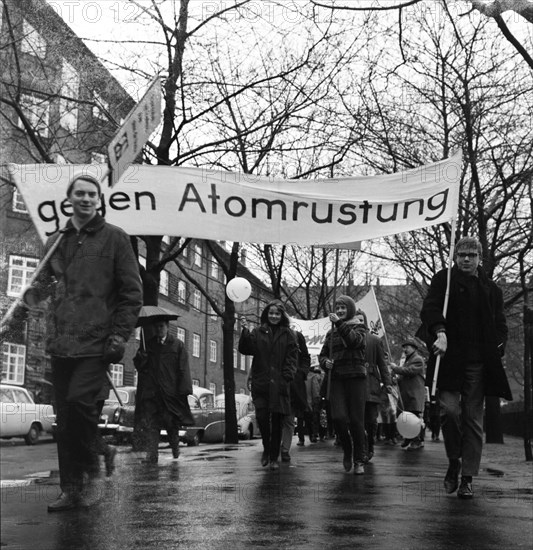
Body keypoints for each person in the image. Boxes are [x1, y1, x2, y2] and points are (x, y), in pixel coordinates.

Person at [22, 173, 142, 512]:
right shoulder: (56, 242)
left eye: (92, 194)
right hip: (61, 342)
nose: (87, 199)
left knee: (77, 403)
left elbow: (132, 293)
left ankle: (93, 465)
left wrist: (119, 334)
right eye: (81, 194)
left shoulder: (115, 239)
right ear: (70, 199)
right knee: (65, 418)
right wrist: (32, 296)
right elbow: (44, 285)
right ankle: (71, 488)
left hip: (96, 341)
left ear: (99, 200)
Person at [419, 236, 512, 499]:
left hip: (478, 363)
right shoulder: (444, 280)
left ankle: (467, 478)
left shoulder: (491, 289)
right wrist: (439, 331)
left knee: (473, 420)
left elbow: (500, 323)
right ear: (455, 256)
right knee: (449, 412)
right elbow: (429, 308)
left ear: (480, 257)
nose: (466, 259)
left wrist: (499, 346)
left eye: (472, 255)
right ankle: (454, 460)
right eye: (462, 255)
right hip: (448, 360)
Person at [239, 300, 298, 470]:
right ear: (266, 314)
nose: (274, 316)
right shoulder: (258, 332)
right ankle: (266, 448)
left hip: (279, 385)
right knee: (263, 419)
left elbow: (292, 358)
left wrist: (287, 376)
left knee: (277, 422)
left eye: (277, 313)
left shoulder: (288, 334)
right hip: (262, 384)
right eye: (271, 313)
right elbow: (246, 348)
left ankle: (274, 457)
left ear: (282, 316)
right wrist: (244, 331)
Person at [134, 319, 194, 464]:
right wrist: (142, 358)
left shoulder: (177, 345)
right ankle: (152, 456)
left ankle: (175, 448)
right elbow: (140, 366)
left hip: (169, 393)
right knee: (152, 424)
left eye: (161, 326)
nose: (158, 330)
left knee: (170, 424)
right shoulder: (148, 344)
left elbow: (183, 369)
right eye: (156, 327)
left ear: (167, 327)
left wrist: (183, 391)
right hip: (152, 393)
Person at [318, 297, 367, 475]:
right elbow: (322, 355)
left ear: (351, 310)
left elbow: (355, 342)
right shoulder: (331, 332)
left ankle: (359, 459)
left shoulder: (359, 327)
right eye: (337, 307)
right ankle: (347, 448)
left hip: (356, 378)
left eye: (343, 308)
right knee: (338, 417)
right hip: (337, 378)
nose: (339, 311)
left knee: (356, 421)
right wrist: (325, 363)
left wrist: (339, 323)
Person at [356, 310, 393, 463]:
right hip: (355, 383)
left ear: (364, 321)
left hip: (371, 383)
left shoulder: (374, 340)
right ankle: (361, 448)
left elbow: (382, 364)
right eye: (355, 319)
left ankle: (370, 444)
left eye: (360, 319)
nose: (357, 322)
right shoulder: (347, 339)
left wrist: (388, 382)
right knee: (357, 420)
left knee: (371, 420)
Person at [391, 338, 426, 450]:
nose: (405, 349)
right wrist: (396, 379)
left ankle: (417, 441)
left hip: (413, 394)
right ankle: (409, 438)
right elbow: (404, 375)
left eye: (407, 347)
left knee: (414, 417)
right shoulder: (408, 360)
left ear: (414, 348)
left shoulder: (418, 359)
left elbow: (410, 371)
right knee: (407, 417)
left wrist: (396, 368)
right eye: (404, 347)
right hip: (407, 394)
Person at [281, 330, 310, 462]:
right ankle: (274, 446)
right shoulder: (270, 332)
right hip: (275, 382)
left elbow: (305, 357)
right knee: (274, 418)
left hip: (293, 384)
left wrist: (302, 373)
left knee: (289, 418)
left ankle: (285, 449)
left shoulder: (297, 336)